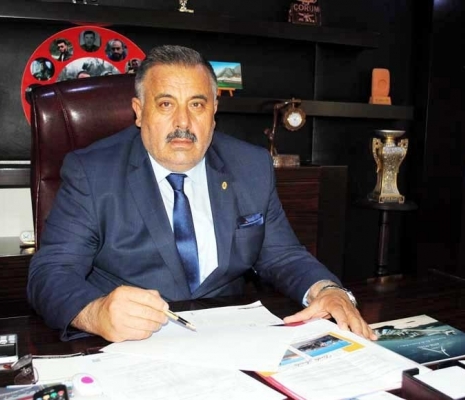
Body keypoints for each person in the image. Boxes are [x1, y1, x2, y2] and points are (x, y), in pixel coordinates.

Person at [27, 44, 376, 343]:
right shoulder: (92, 172)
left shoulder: (251, 166)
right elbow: (51, 272)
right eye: (166, 104)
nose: (183, 123)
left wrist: (328, 291)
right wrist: (95, 313)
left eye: (196, 105)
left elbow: (282, 255)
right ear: (139, 112)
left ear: (213, 112)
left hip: (228, 339)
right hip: (131, 344)